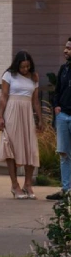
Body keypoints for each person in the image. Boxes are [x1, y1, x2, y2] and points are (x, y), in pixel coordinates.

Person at [0, 50, 43, 200]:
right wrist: (0, 117)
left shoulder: (34, 76)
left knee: (30, 147)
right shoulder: (8, 75)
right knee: (11, 147)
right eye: (22, 67)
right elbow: (4, 97)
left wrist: (40, 119)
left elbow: (35, 100)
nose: (25, 70)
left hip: (27, 114)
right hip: (12, 112)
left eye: (27, 67)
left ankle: (28, 184)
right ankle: (14, 185)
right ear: (17, 65)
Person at [53, 38, 71, 201]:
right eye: (65, 47)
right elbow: (57, 90)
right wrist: (56, 106)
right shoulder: (63, 69)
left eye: (69, 48)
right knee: (64, 153)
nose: (66, 51)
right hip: (63, 115)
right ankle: (66, 189)